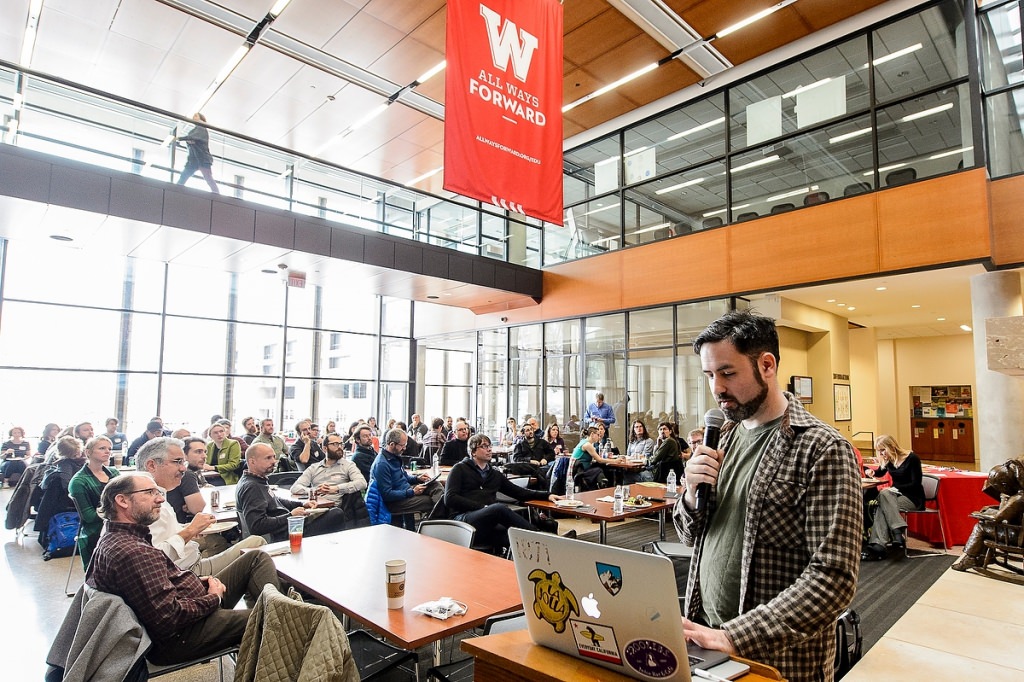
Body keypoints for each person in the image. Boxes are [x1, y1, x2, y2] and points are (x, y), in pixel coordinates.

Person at [676, 310, 861, 682]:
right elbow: (690, 536)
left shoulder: (822, 449)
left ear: (766, 365)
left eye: (728, 373)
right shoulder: (722, 438)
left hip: (777, 657)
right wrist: (692, 495)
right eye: (710, 376)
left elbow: (833, 579)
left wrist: (734, 636)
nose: (717, 388)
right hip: (705, 637)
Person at [85, 472, 278, 665]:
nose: (160, 498)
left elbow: (152, 592)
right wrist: (213, 597)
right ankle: (278, 617)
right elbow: (168, 617)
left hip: (186, 614)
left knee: (255, 556)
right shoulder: (133, 552)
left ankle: (275, 613)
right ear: (122, 501)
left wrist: (191, 582)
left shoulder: (115, 538)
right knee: (276, 618)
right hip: (181, 636)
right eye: (150, 492)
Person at [138, 437, 263, 573]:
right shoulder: (147, 503)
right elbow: (155, 558)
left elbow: (164, 534)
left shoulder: (159, 494)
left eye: (183, 462)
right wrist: (190, 530)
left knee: (255, 544)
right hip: (185, 573)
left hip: (190, 564)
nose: (183, 468)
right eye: (177, 462)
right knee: (257, 546)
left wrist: (189, 529)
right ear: (151, 466)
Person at [443, 434, 568, 550]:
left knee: (516, 538)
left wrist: (547, 495)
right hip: (463, 519)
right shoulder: (459, 469)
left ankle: (550, 548)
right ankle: (544, 538)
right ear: (473, 452)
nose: (489, 449)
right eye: (484, 446)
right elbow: (450, 498)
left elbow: (519, 492)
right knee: (498, 509)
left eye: (490, 446)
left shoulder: (494, 474)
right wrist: (483, 507)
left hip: (488, 523)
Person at [236, 443, 347, 542]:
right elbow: (257, 526)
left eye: (274, 457)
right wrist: (291, 516)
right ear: (252, 461)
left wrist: (302, 504)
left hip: (288, 525)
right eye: (268, 458)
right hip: (284, 534)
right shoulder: (252, 487)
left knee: (331, 512)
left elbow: (275, 500)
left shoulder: (257, 480)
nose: (273, 462)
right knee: (336, 514)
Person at [861, 435, 924, 561]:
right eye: (879, 451)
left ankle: (879, 544)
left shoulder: (912, 459)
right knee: (884, 498)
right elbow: (880, 472)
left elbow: (915, 483)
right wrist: (871, 472)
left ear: (891, 446)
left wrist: (895, 489)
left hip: (912, 497)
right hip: (894, 496)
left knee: (883, 497)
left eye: (883, 450)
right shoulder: (889, 460)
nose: (881, 453)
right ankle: (896, 532)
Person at [370, 428, 443, 530]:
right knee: (430, 500)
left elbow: (404, 477)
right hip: (395, 502)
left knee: (435, 485)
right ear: (392, 444)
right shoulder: (382, 464)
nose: (405, 448)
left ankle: (441, 520)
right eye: (402, 445)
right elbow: (387, 495)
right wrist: (412, 492)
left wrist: (417, 478)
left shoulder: (394, 457)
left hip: (405, 491)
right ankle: (440, 523)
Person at [67, 435, 119, 566]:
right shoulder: (79, 481)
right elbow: (89, 517)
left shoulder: (114, 474)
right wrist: (118, 512)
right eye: (102, 448)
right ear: (88, 452)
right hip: (95, 531)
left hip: (117, 525)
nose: (107, 451)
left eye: (109, 448)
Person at [289, 432, 366, 504]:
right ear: (325, 448)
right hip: (314, 505)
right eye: (335, 444)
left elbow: (362, 483)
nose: (339, 447)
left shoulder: (348, 465)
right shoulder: (314, 468)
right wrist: (314, 491)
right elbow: (295, 488)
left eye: (341, 444)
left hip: (335, 509)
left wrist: (336, 488)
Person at [165, 437, 209, 524]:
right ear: (184, 455)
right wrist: (193, 504)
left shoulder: (194, 471)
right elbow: (199, 509)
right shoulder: (186, 474)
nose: (204, 456)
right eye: (198, 452)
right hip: (180, 529)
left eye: (205, 452)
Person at [174, 112, 220, 193]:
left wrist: (179, 138)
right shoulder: (196, 130)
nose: (193, 117)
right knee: (186, 175)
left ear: (201, 118)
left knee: (207, 177)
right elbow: (192, 140)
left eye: (195, 116)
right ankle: (177, 190)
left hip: (201, 159)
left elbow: (193, 138)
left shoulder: (201, 128)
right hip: (194, 159)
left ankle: (216, 193)